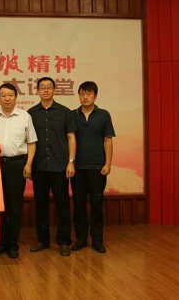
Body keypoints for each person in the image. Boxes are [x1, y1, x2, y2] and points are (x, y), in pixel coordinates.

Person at [0, 83, 37, 259]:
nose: (7, 99)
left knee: (15, 206)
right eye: (3, 95)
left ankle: (13, 244)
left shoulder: (25, 116)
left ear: (15, 98)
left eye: (10, 95)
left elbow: (32, 142)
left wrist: (28, 164)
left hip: (17, 164)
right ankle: (0, 243)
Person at [27, 77, 77, 256]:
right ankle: (43, 240)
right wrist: (29, 164)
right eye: (42, 87)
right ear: (37, 91)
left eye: (49, 87)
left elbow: (71, 138)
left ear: (54, 90)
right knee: (40, 205)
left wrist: (71, 162)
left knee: (63, 205)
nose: (46, 90)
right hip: (39, 167)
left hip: (59, 166)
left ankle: (64, 241)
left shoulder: (65, 112)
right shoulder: (31, 114)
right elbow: (29, 141)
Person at [71, 81, 115, 254]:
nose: (85, 97)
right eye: (82, 93)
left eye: (89, 93)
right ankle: (81, 239)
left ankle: (97, 240)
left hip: (98, 167)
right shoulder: (73, 115)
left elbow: (108, 140)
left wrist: (108, 163)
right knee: (79, 205)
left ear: (95, 96)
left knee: (97, 205)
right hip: (78, 168)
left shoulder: (103, 115)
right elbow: (69, 140)